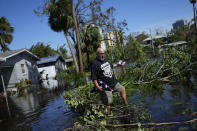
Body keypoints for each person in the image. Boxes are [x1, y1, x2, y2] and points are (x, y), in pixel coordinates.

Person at [91, 48, 128, 115]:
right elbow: (94, 76)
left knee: (123, 89)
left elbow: (111, 66)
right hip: (105, 86)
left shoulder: (105, 59)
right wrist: (97, 86)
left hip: (114, 82)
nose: (103, 55)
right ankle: (108, 118)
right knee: (108, 102)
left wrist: (119, 65)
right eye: (101, 54)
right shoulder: (94, 63)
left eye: (103, 53)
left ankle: (127, 108)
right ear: (97, 54)